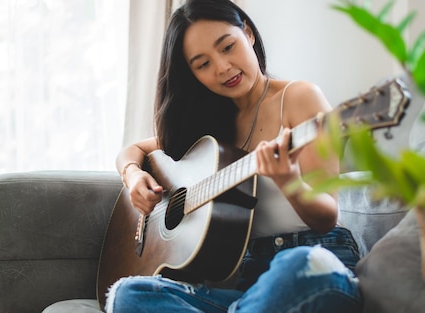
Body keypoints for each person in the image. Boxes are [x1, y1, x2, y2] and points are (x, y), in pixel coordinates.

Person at [107, 0, 362, 312]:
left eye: (227, 47)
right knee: (128, 294)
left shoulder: (299, 98)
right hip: (245, 285)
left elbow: (326, 217)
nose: (222, 67)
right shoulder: (208, 128)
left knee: (297, 265)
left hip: (311, 263)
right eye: (203, 64)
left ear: (248, 33)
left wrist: (287, 179)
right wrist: (133, 175)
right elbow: (131, 152)